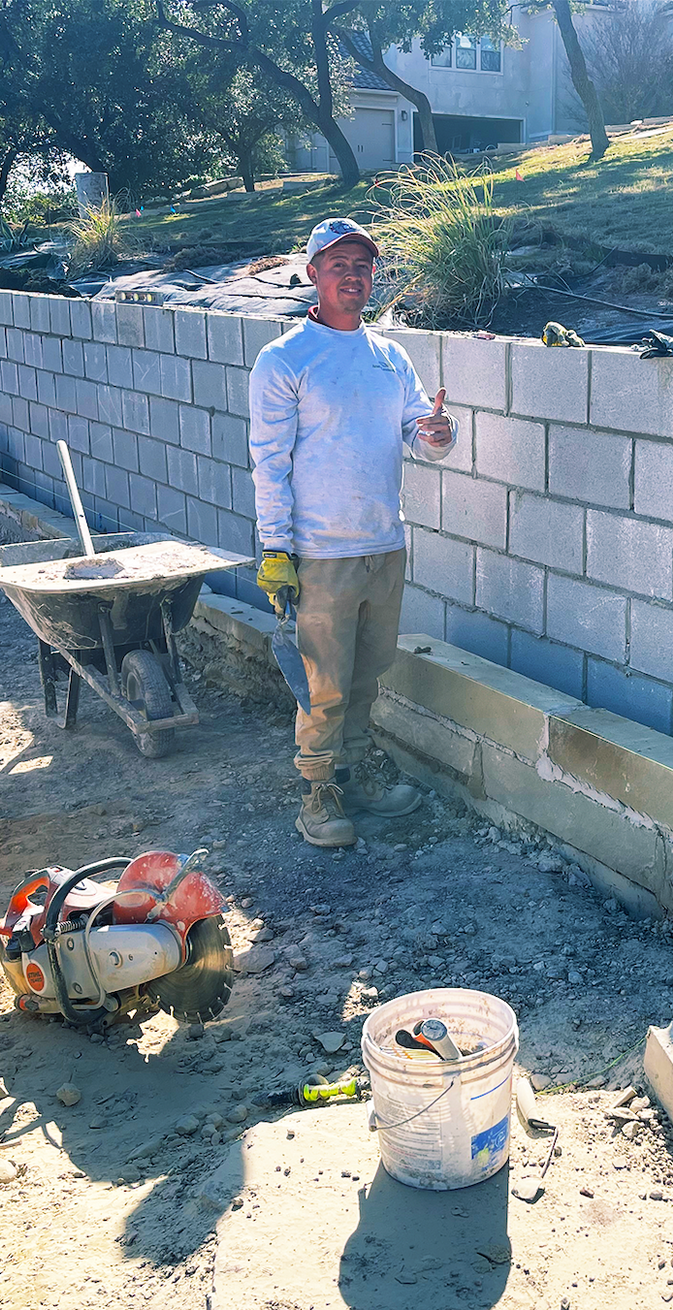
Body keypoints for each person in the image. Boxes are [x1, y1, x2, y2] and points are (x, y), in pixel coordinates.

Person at [248, 218, 457, 847]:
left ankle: (357, 773)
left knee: (368, 673)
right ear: (312, 274)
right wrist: (275, 547)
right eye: (338, 264)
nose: (353, 275)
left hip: (383, 545)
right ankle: (318, 794)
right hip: (319, 553)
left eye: (362, 265)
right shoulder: (285, 359)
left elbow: (419, 429)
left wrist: (436, 436)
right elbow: (270, 459)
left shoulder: (390, 357)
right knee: (324, 683)